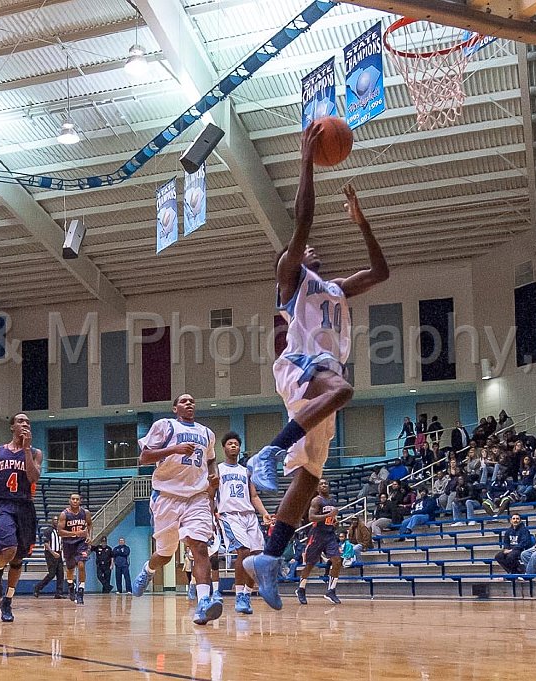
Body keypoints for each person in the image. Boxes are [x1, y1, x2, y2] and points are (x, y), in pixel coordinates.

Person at [243, 125, 389, 612]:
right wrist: (306, 159)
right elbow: (302, 221)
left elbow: (382, 273)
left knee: (307, 478)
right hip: (302, 364)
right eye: (299, 248)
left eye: (305, 250)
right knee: (345, 389)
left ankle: (268, 557)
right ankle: (268, 451)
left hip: (320, 377)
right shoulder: (292, 278)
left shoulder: (336, 288)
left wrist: (362, 223)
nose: (308, 248)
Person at [131, 394, 221, 625]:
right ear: (174, 408)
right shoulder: (164, 426)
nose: (189, 403)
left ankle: (203, 604)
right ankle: (148, 570)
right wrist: (174, 449)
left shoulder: (206, 433)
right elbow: (144, 457)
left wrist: (214, 474)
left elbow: (210, 459)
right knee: (165, 554)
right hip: (167, 496)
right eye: (183, 401)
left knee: (200, 547)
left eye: (192, 400)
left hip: (196, 496)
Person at [0, 412, 42, 622]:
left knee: (19, 558)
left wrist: (25, 450)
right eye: (20, 421)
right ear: (12, 427)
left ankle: (7, 601)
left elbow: (33, 477)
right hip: (4, 504)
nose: (25, 424)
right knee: (9, 547)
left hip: (25, 506)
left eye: (28, 422)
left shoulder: (35, 452)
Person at [215, 431, 271, 615]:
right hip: (230, 515)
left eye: (236, 444)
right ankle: (239, 594)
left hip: (249, 515)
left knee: (257, 557)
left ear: (239, 448)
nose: (233, 446)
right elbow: (210, 493)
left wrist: (264, 513)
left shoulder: (246, 471)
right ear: (224, 448)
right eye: (230, 443)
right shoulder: (218, 470)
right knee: (244, 552)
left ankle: (246, 594)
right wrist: (211, 512)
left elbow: (253, 495)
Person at [295, 478, 343, 605]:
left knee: (337, 560)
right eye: (321, 484)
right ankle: (301, 588)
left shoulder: (332, 501)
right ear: (317, 488)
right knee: (310, 564)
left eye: (326, 483)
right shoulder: (316, 500)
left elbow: (331, 517)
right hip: (316, 535)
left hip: (329, 534)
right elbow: (311, 517)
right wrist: (328, 516)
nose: (324, 485)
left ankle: (331, 591)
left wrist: (334, 522)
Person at [59, 493, 92, 605]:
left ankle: (81, 591)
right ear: (69, 501)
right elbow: (60, 532)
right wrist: (76, 533)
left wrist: (88, 535)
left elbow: (89, 525)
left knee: (81, 564)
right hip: (68, 543)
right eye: (73, 499)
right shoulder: (64, 514)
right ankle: (70, 586)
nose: (75, 501)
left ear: (80, 501)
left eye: (77, 499)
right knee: (70, 567)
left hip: (81, 543)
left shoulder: (85, 513)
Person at [33, 517, 64, 599]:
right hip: (50, 553)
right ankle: (38, 588)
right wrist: (53, 553)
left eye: (58, 520)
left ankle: (59, 593)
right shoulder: (48, 531)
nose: (56, 521)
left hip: (59, 553)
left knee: (61, 574)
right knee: (52, 574)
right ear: (52, 521)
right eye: (55, 520)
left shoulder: (60, 531)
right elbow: (46, 544)